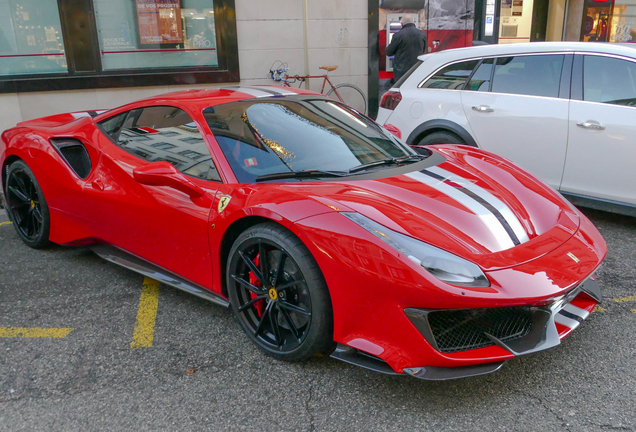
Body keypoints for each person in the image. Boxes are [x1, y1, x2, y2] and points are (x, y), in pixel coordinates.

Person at [385, 15, 428, 82]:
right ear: (413, 22)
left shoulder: (397, 35)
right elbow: (424, 50)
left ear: (402, 23)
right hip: (416, 69)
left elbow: (389, 52)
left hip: (401, 72)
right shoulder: (423, 34)